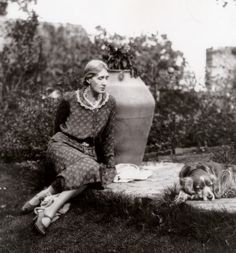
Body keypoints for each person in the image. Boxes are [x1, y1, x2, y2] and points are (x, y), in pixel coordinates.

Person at [21, 59, 117, 235]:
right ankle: (49, 211)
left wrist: (111, 163)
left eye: (107, 78)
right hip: (62, 144)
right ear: (88, 79)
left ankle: (45, 194)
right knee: (91, 168)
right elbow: (57, 126)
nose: (105, 83)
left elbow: (109, 135)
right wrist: (59, 146)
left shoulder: (110, 103)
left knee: (91, 168)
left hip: (87, 152)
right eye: (100, 78)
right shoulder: (70, 98)